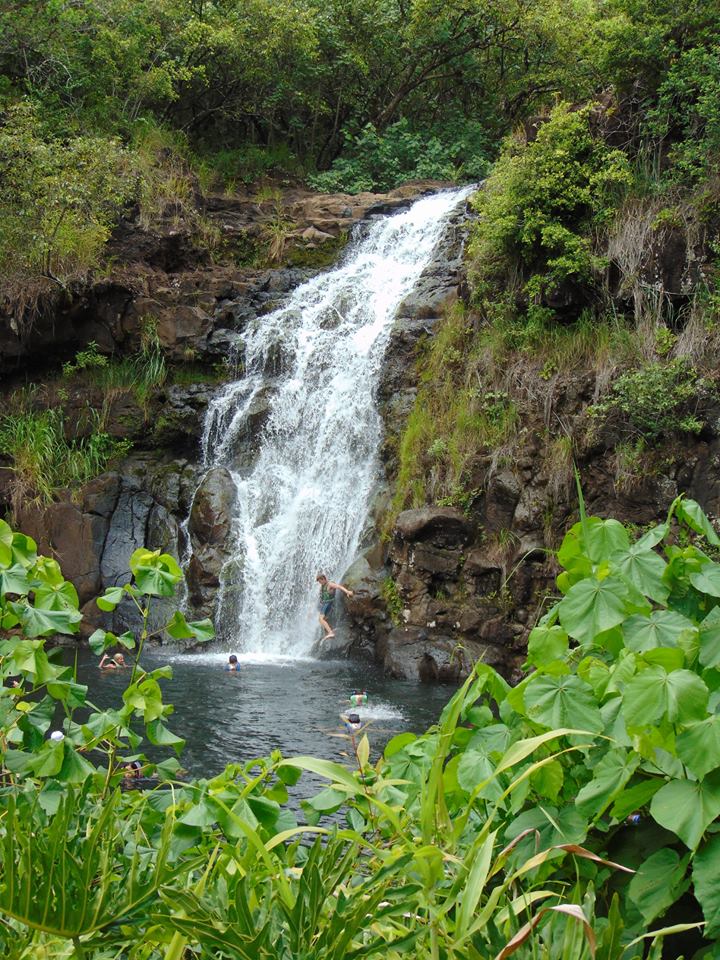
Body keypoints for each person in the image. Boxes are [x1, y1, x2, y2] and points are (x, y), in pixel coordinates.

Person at [316, 573, 354, 640]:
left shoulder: (330, 584)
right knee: (323, 619)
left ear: (324, 579)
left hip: (328, 603)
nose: (320, 583)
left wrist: (347, 592)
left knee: (321, 619)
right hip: (325, 604)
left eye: (320, 581)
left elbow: (339, 587)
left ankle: (330, 633)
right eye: (319, 581)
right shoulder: (323, 586)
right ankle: (329, 632)